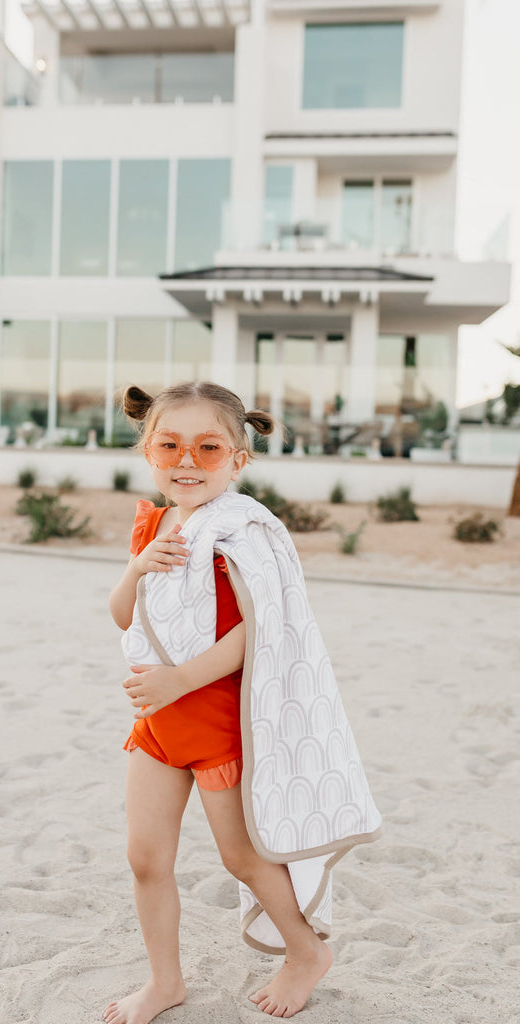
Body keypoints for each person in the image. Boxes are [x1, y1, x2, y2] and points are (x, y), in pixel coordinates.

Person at [105, 381, 379, 1024]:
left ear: (238, 460)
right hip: (158, 721)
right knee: (145, 857)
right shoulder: (155, 523)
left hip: (218, 721)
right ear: (148, 449)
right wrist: (136, 568)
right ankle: (164, 982)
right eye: (169, 445)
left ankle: (306, 952)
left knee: (245, 856)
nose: (187, 461)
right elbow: (124, 616)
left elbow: (264, 626)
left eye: (208, 447)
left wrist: (179, 680)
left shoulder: (242, 531)